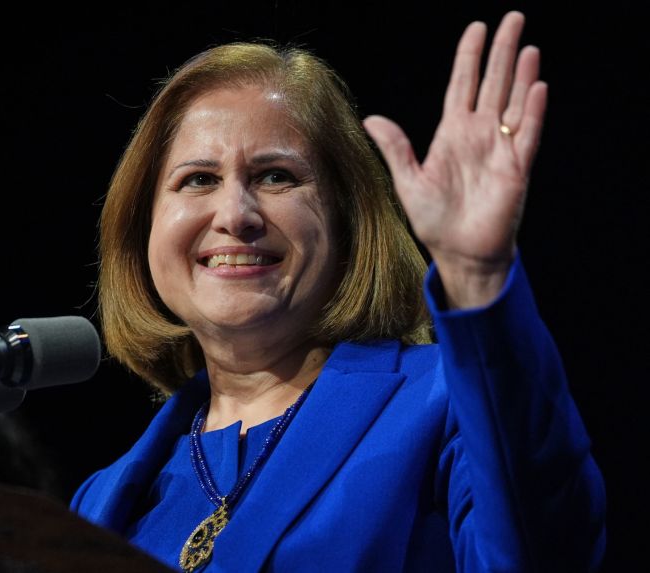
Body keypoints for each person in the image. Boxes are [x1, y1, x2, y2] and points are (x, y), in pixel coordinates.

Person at [70, 11, 606, 572]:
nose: (235, 214)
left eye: (276, 176)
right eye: (198, 179)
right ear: (144, 228)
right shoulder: (99, 503)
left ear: (348, 220)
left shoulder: (448, 403)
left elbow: (540, 552)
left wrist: (474, 276)